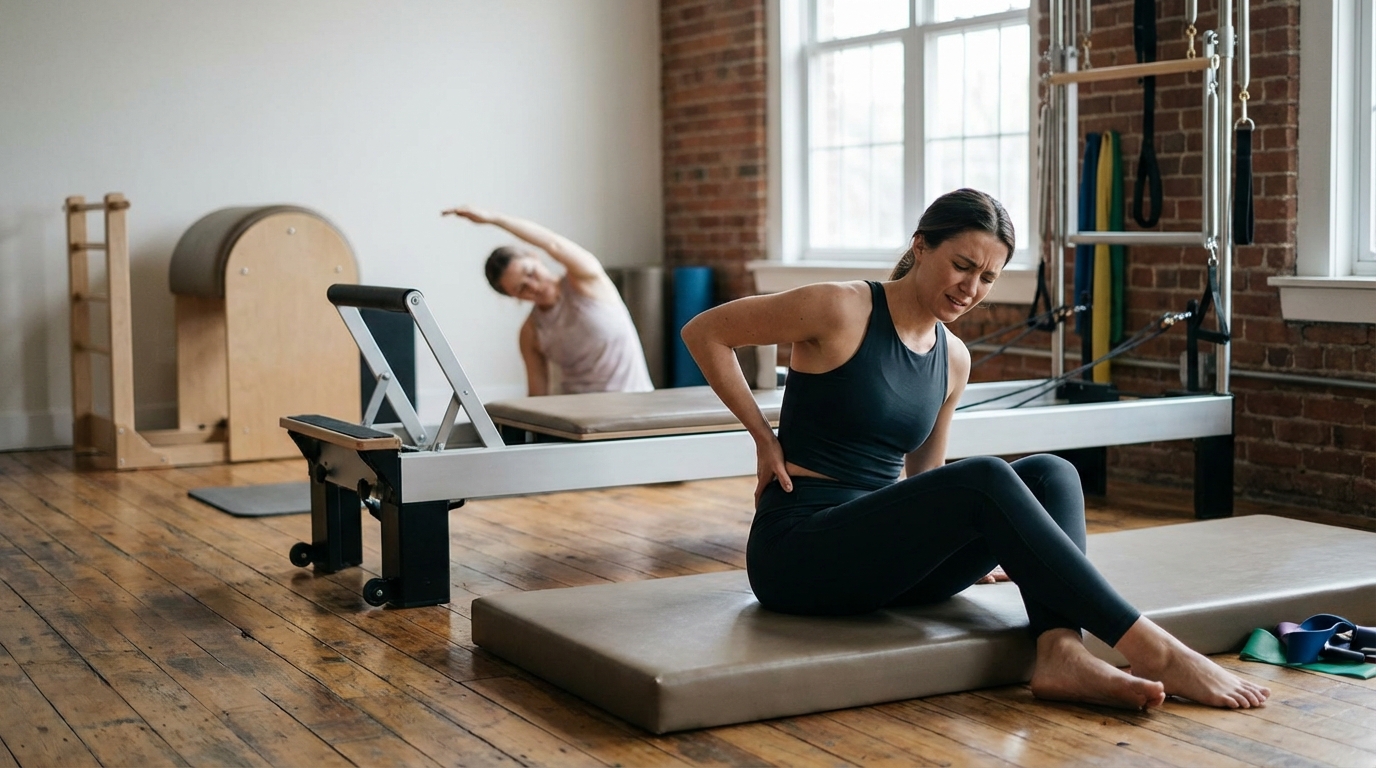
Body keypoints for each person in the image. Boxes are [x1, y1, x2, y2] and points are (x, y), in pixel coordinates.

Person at [681, 188, 1270, 710]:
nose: (971, 289)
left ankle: (1060, 651)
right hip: (800, 554)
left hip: (881, 566)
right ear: (920, 246)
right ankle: (1152, 647)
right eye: (961, 266)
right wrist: (763, 436)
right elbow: (705, 331)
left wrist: (970, 540)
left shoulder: (952, 358)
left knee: (1053, 473)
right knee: (986, 476)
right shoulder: (842, 307)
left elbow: (924, 480)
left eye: (987, 278)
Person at [443, 206, 655, 396]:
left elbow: (553, 243)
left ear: (535, 257)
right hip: (580, 421)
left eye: (530, 272)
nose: (533, 286)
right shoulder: (531, 332)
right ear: (514, 297)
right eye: (521, 288)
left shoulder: (586, 280)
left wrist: (494, 219)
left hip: (632, 404)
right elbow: (538, 397)